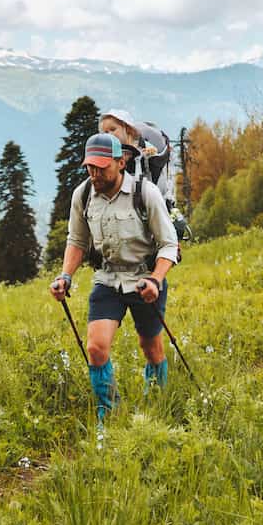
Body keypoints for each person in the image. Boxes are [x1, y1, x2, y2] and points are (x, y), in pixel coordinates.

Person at [49, 132, 179, 419]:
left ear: (121, 162)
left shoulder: (145, 193)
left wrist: (156, 280)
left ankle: (158, 405)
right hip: (107, 280)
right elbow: (77, 241)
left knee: (151, 347)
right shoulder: (83, 196)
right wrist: (65, 276)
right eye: (89, 167)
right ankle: (108, 415)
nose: (93, 173)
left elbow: (169, 245)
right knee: (96, 348)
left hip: (145, 279)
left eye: (100, 167)